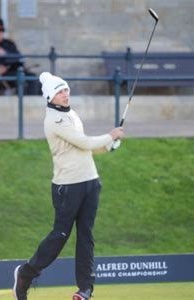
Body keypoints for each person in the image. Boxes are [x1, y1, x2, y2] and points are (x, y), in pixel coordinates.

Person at [13, 72, 124, 300]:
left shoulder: (71, 113)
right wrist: (110, 134)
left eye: (66, 90)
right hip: (67, 186)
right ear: (50, 97)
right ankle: (26, 273)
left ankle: (85, 288)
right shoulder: (54, 119)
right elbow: (83, 141)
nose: (65, 94)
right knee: (60, 235)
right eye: (59, 92)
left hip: (90, 181)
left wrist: (109, 146)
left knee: (86, 235)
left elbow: (84, 148)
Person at [0, 18, 40, 95]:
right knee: (19, 80)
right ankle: (20, 103)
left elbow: (18, 58)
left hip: (14, 70)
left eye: (1, 32)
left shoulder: (9, 44)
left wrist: (5, 54)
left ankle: (31, 102)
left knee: (33, 77)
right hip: (0, 76)